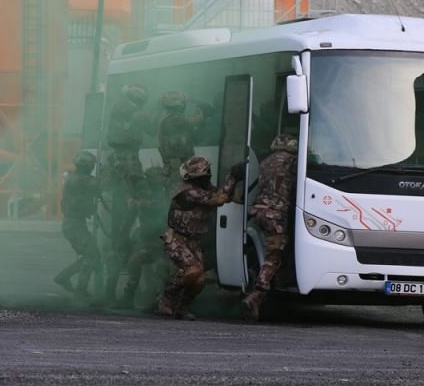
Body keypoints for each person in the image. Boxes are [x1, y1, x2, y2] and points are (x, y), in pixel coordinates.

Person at [156, 155, 243, 320]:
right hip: (177, 238)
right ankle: (166, 297)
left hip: (194, 240)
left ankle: (182, 307)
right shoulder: (188, 191)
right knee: (192, 271)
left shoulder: (205, 189)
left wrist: (235, 184)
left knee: (199, 280)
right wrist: (232, 176)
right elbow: (219, 199)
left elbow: (227, 197)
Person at [241, 134, 299, 322]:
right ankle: (256, 294)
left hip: (260, 210)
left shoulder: (266, 161)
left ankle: (277, 287)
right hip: (276, 213)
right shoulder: (292, 162)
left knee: (272, 250)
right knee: (274, 255)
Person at [103, 83, 151, 303]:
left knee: (118, 249)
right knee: (125, 250)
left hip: (121, 216)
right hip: (126, 216)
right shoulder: (128, 158)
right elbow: (137, 188)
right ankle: (116, 295)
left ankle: (109, 293)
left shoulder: (115, 156)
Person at [116, 165, 170, 310]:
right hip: (149, 240)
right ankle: (129, 297)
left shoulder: (167, 193)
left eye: (157, 178)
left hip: (167, 242)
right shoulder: (143, 193)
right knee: (135, 261)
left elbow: (160, 207)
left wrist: (141, 203)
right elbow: (131, 215)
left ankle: (161, 300)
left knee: (162, 267)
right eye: (151, 178)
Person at [53, 151, 102, 299]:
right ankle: (80, 290)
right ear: (85, 166)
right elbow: (99, 185)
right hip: (73, 225)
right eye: (91, 165)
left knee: (91, 255)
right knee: (92, 256)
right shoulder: (79, 179)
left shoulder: (74, 177)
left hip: (74, 224)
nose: (92, 167)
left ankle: (63, 276)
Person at [157, 90, 195, 181]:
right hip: (178, 166)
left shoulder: (164, 118)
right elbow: (178, 144)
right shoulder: (177, 119)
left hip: (173, 165)